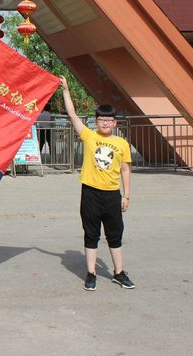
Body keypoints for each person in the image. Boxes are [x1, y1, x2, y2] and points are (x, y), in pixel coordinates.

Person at [59, 76, 135, 291]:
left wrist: (126, 195)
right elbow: (72, 114)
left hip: (112, 194)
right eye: (101, 119)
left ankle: (119, 272)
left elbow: (125, 170)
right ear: (96, 121)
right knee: (91, 233)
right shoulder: (89, 136)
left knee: (115, 234)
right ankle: (91, 273)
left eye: (109, 120)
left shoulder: (121, 143)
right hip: (90, 193)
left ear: (115, 123)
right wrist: (65, 90)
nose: (105, 123)